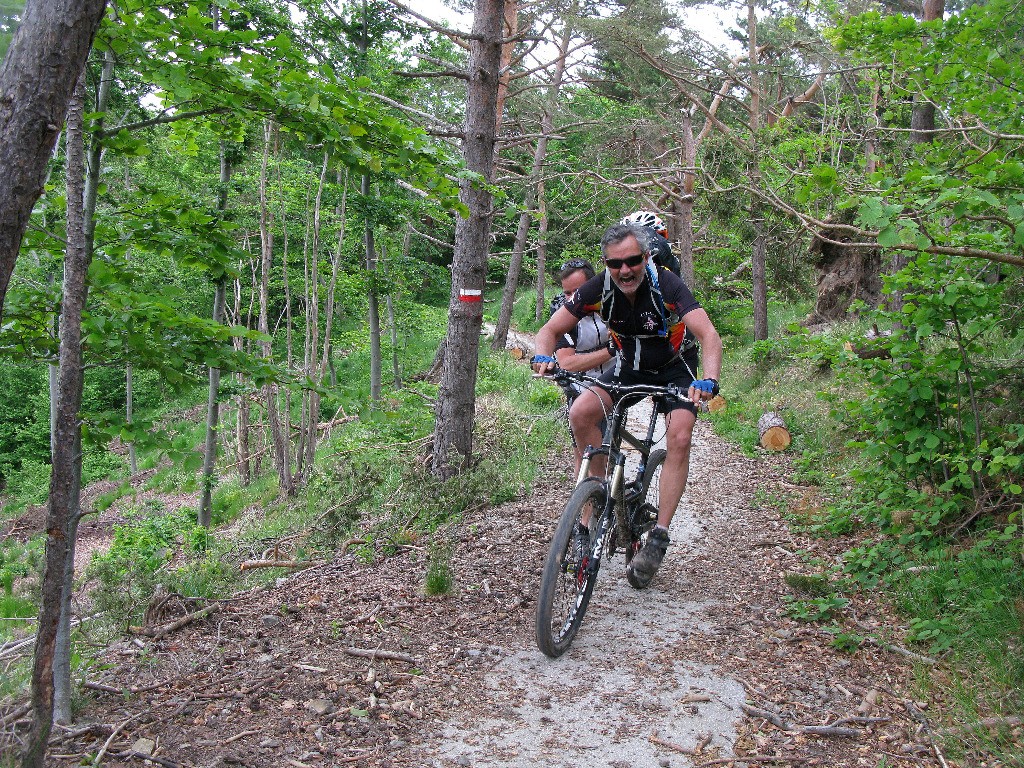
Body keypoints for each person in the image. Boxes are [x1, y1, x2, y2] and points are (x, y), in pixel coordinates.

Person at [532, 222, 723, 589]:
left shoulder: (667, 284)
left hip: (675, 370)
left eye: (633, 260)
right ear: (605, 263)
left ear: (646, 257)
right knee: (581, 412)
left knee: (680, 437)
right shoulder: (598, 287)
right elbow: (549, 330)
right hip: (629, 367)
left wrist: (709, 380)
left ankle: (659, 537)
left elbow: (708, 334)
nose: (625, 270)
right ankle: (597, 493)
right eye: (615, 263)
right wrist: (544, 356)